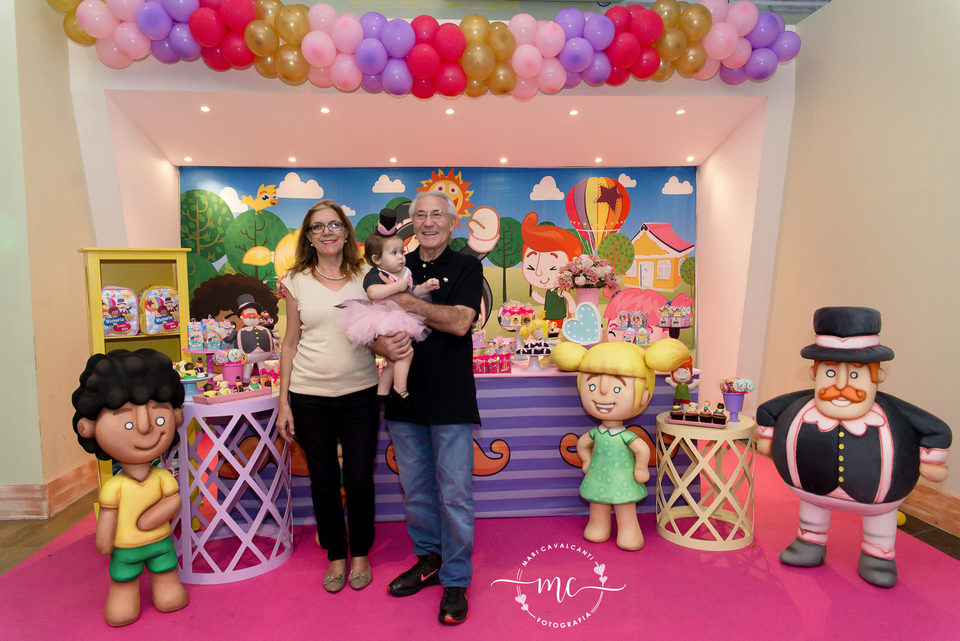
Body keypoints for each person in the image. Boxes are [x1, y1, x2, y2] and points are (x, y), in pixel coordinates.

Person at [756, 306, 951, 587]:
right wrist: (766, 436)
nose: (841, 385)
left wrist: (932, 458)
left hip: (877, 495)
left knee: (880, 519)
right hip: (812, 484)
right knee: (812, 510)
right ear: (814, 373)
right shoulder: (802, 406)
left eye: (856, 375)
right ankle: (809, 541)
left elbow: (935, 428)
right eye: (830, 373)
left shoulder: (892, 414)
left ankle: (878, 555)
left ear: (877, 376)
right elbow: (767, 410)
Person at [372, 190, 482, 625]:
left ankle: (456, 578)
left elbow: (459, 322)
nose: (429, 222)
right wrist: (380, 342)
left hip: (452, 399)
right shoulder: (397, 265)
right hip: (405, 399)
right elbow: (372, 319)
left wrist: (406, 301)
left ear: (452, 222)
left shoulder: (467, 266)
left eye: (438, 214)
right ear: (411, 223)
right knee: (416, 491)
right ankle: (429, 560)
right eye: (421, 215)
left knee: (455, 495)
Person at [276, 199, 381, 593]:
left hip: (360, 393)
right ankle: (336, 555)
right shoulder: (295, 280)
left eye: (334, 224)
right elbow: (290, 342)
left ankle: (360, 554)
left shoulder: (367, 276)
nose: (327, 231)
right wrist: (283, 403)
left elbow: (381, 330)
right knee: (322, 480)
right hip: (309, 396)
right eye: (317, 226)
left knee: (359, 478)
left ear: (345, 231)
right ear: (308, 236)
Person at [71, 348, 188, 627]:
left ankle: (167, 592)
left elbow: (173, 500)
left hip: (160, 543)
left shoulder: (162, 478)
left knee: (166, 575)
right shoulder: (115, 487)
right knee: (124, 582)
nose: (146, 428)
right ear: (88, 427)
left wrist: (151, 518)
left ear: (176, 417)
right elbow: (108, 516)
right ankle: (124, 600)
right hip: (126, 548)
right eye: (127, 421)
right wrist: (104, 542)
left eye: (159, 418)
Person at [552, 339, 689, 550]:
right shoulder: (597, 433)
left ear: (644, 396)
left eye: (617, 389)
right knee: (597, 501)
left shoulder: (625, 436)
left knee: (625, 504)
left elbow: (641, 449)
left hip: (623, 478)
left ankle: (629, 531)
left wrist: (641, 468)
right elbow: (582, 444)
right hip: (598, 476)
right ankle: (598, 526)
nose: (602, 395)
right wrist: (586, 460)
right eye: (591, 386)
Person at [337, 210, 439, 402]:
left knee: (393, 360)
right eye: (394, 253)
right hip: (382, 318)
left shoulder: (405, 272)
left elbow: (413, 292)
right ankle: (400, 388)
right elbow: (373, 293)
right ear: (377, 259)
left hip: (399, 316)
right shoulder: (376, 274)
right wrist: (397, 286)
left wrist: (425, 287)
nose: (400, 257)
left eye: (402, 252)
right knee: (405, 352)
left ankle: (382, 392)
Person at [519, 212, 580, 331]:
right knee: (548, 329)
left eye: (552, 268)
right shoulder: (549, 290)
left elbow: (567, 296)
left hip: (557, 315)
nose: (539, 273)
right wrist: (539, 299)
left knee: (555, 330)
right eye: (531, 267)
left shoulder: (560, 289)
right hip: (549, 314)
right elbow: (548, 302)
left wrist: (572, 306)